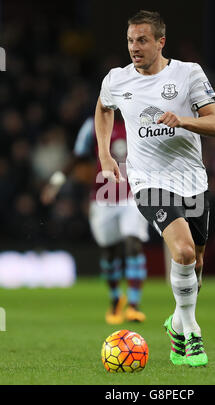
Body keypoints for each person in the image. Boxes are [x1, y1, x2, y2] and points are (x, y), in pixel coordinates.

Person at [94, 10, 215, 367]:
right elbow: (104, 108)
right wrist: (106, 156)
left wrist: (182, 119)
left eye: (142, 41)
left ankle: (177, 322)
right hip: (148, 181)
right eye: (130, 41)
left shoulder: (188, 73)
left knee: (195, 263)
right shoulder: (117, 80)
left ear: (160, 42)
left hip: (193, 180)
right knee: (182, 252)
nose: (134, 48)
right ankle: (192, 332)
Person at [41, 113, 149, 324]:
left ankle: (134, 305)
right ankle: (116, 298)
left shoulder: (140, 116)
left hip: (134, 195)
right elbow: (77, 156)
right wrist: (56, 182)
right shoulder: (92, 125)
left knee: (132, 243)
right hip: (103, 196)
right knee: (110, 252)